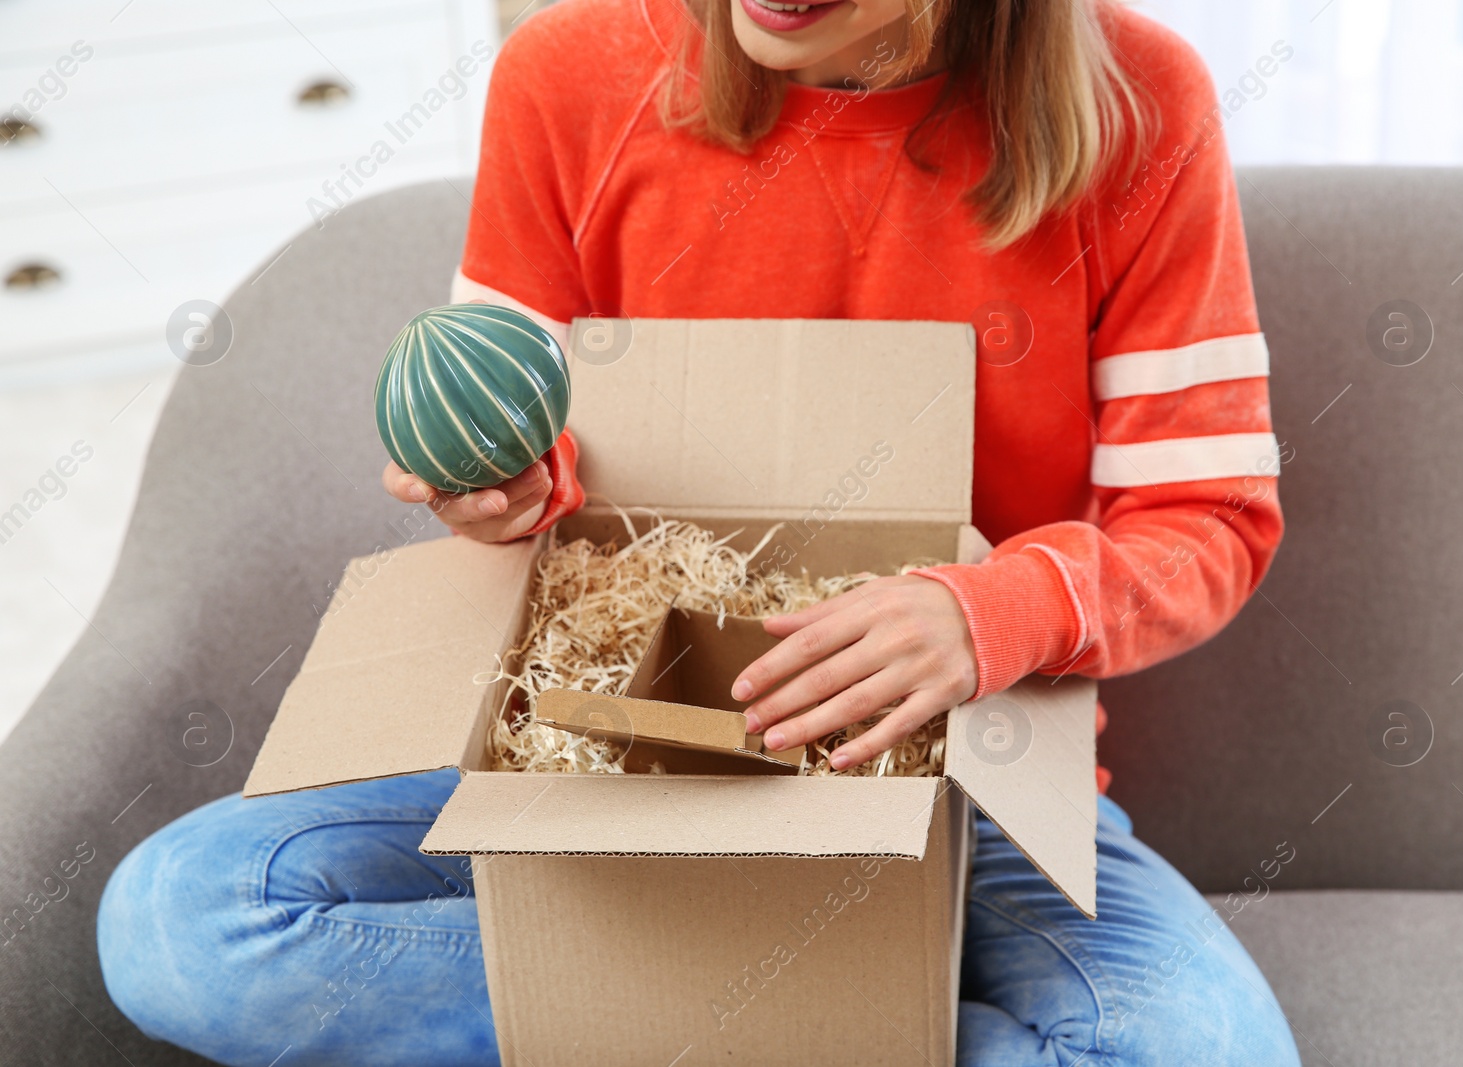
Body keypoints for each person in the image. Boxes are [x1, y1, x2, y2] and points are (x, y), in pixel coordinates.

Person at [97, 0, 1300, 1063]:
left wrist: (985, 610)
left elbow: (1205, 520)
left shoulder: (1141, 105)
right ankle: (831, 1017)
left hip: (963, 769)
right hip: (601, 748)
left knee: (1201, 1047)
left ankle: (681, 1020)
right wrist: (509, 487)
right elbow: (535, 430)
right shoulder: (568, 69)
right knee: (181, 922)